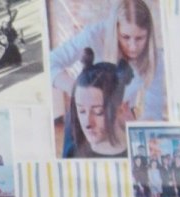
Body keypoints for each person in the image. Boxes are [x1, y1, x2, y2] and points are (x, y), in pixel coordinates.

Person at [50, 0, 165, 157]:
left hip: (121, 119)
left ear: (148, 35)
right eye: (125, 37)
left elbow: (154, 110)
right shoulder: (93, 36)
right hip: (84, 117)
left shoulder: (155, 58)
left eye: (139, 38)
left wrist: (137, 127)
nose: (132, 46)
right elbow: (51, 62)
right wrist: (78, 90)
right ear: (114, 30)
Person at [65, 49, 133, 158]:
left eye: (98, 112)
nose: (87, 123)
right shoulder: (72, 151)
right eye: (81, 111)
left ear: (120, 108)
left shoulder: (135, 152)